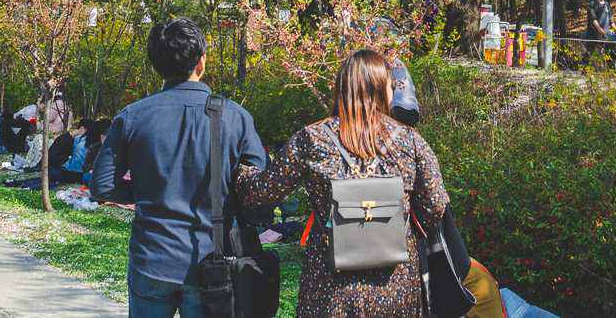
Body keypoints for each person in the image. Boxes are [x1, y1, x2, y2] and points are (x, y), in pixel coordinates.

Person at [234, 49, 449, 317]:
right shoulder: (410, 141)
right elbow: (435, 205)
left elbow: (262, 193)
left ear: (342, 89)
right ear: (382, 89)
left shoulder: (311, 139)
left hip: (329, 288)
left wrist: (242, 172)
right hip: (396, 285)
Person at [91, 18, 266, 317]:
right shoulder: (234, 117)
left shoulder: (132, 116)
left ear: (156, 64)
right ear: (201, 62)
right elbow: (257, 189)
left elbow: (102, 185)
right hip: (211, 259)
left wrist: (148, 192)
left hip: (152, 257)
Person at [586, 0, 613, 69]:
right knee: (590, 52)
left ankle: (605, 70)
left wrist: (615, 28)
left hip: (606, 33)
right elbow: (593, 18)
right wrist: (599, 29)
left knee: (605, 52)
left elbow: (610, 19)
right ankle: (584, 69)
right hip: (594, 34)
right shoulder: (592, 4)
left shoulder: (607, 4)